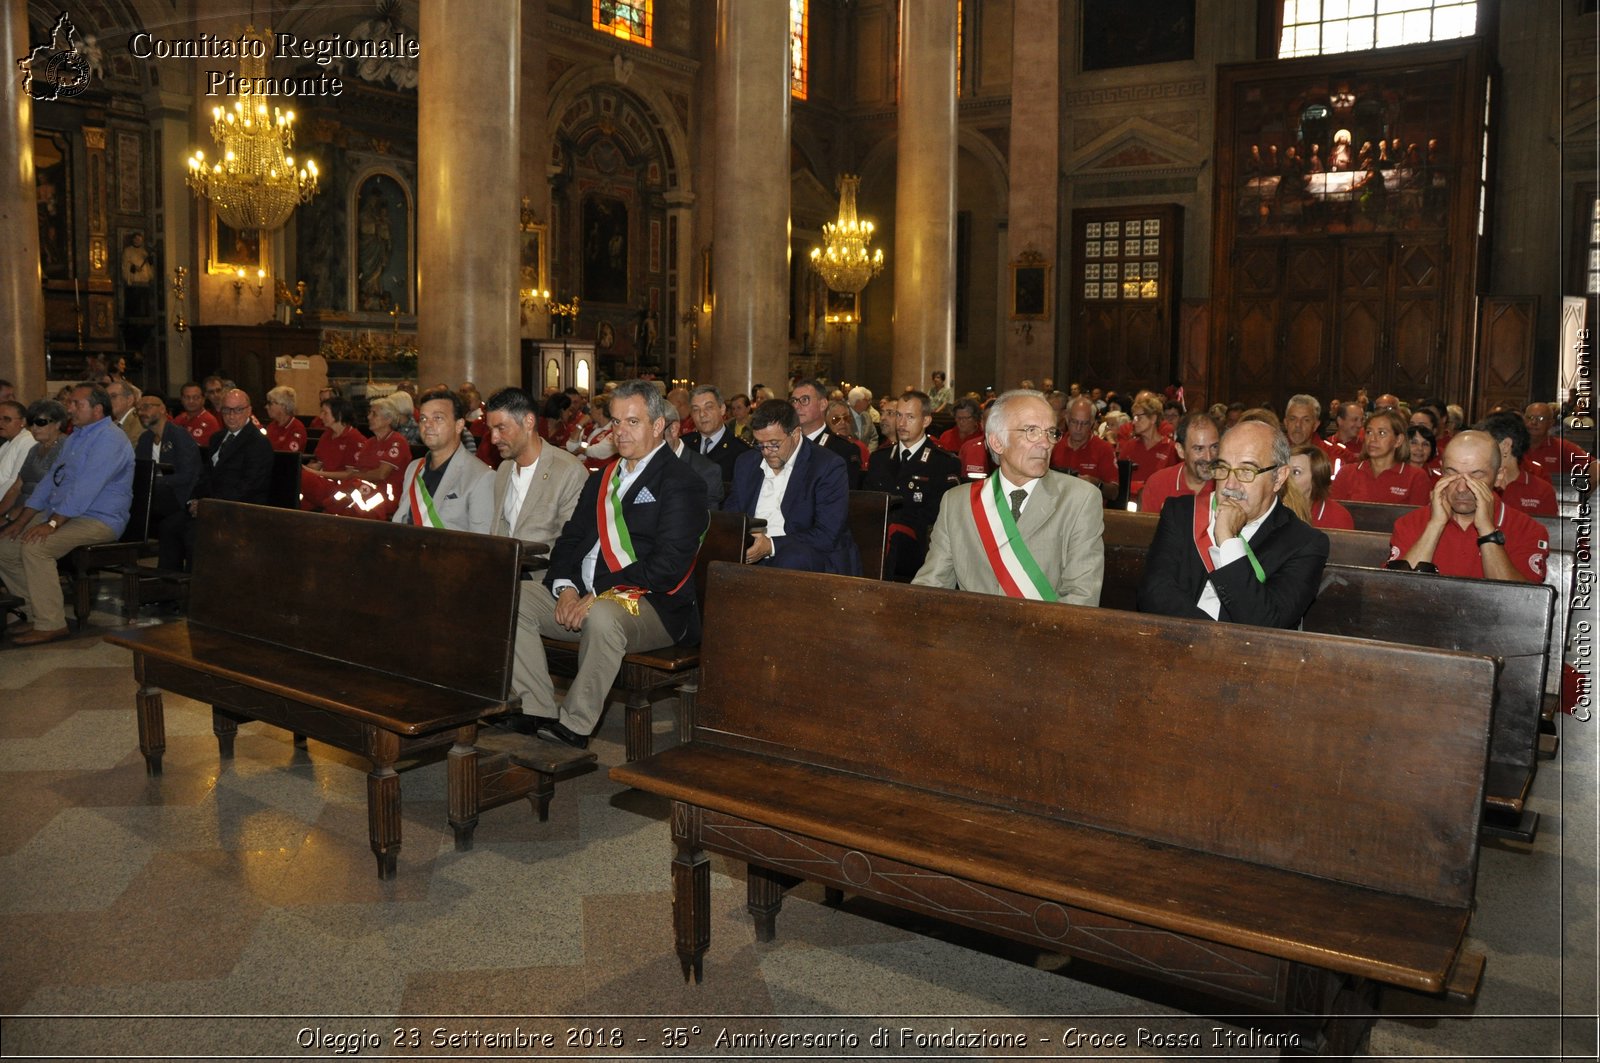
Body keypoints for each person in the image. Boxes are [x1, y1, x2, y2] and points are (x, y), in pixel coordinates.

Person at [507, 381, 708, 748]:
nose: (621, 432)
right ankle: (536, 708)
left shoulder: (681, 482)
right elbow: (568, 541)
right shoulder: (602, 478)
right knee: (513, 598)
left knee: (602, 616)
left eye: (633, 422)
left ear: (658, 425)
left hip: (655, 607)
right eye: (616, 422)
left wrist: (597, 595)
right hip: (585, 595)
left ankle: (576, 725)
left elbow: (667, 567)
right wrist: (565, 590)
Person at [913, 389, 1104, 604]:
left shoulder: (1079, 500)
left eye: (1051, 432)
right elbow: (931, 587)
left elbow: (1081, 598)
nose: (1045, 443)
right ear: (997, 442)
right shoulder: (957, 503)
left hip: (1043, 635)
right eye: (1031, 431)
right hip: (973, 633)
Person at [1137, 421, 1329, 628]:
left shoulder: (1303, 543)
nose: (1230, 484)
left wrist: (1228, 541)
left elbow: (1267, 624)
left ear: (1279, 477)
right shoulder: (1182, 513)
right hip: (1175, 645)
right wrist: (1210, 640)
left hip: (1246, 658)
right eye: (1223, 468)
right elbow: (1154, 594)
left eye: (1247, 471)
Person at [0, 384, 133, 643]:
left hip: (99, 518)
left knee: (37, 547)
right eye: (70, 403)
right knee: (5, 547)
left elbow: (86, 488)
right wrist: (21, 520)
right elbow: (50, 481)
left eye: (76, 404)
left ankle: (51, 623)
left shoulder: (110, 438)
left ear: (97, 409)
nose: (69, 408)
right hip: (65, 513)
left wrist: (51, 524)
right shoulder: (76, 436)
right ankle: (34, 614)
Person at [1388, 430, 1549, 583]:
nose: (1461, 488)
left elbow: (1522, 601)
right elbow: (1396, 591)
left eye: (1476, 476)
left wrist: (1487, 531)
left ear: (1499, 476)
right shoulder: (1409, 523)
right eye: (1451, 473)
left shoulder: (1528, 529)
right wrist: (1435, 525)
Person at [724, 399, 859, 574]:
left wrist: (771, 545)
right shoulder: (747, 462)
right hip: (754, 552)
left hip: (808, 558)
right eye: (760, 444)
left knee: (791, 559)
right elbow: (732, 516)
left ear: (795, 434)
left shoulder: (827, 465)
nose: (766, 452)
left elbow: (827, 534)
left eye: (774, 444)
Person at [158, 388, 273, 572]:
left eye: (238, 410)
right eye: (227, 410)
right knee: (169, 526)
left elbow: (249, 486)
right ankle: (169, 590)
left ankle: (198, 593)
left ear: (249, 411)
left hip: (238, 509)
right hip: (210, 506)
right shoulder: (217, 438)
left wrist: (209, 505)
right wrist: (193, 501)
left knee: (194, 534)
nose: (231, 416)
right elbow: (204, 477)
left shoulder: (258, 443)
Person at [863, 390, 962, 581]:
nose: (901, 423)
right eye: (898, 415)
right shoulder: (879, 459)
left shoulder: (943, 463)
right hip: (878, 551)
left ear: (926, 421)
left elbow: (938, 517)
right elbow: (869, 504)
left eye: (910, 417)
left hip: (920, 553)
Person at [485, 386, 587, 548]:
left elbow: (572, 544)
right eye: (491, 430)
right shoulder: (504, 469)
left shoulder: (568, 471)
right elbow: (500, 531)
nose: (494, 439)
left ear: (528, 422)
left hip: (544, 571)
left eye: (501, 428)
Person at [391, 388, 494, 533]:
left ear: (459, 425)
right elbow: (401, 521)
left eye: (438, 418)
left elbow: (482, 544)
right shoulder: (414, 468)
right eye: (423, 418)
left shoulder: (481, 477)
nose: (427, 424)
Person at [300, 398, 408, 519]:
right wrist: (354, 476)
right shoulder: (370, 443)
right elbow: (355, 472)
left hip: (386, 495)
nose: (369, 417)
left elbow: (381, 474)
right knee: (342, 495)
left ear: (388, 419)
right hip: (363, 488)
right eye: (369, 413)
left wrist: (355, 476)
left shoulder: (397, 441)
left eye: (374, 414)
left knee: (351, 493)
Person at [1329, 409, 1432, 505]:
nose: (1372, 439)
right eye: (1369, 432)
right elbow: (1335, 515)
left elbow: (1418, 520)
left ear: (1398, 440)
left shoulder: (1416, 477)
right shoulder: (1347, 473)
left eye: (1381, 433)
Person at [134, 390, 202, 525]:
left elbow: (187, 475)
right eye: (138, 409)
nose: (141, 413)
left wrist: (154, 480)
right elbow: (142, 470)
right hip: (154, 496)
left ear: (162, 409)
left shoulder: (179, 435)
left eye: (146, 407)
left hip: (178, 496)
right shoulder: (145, 439)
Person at [1475, 411, 1557, 517]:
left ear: (1505, 446)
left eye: (1483, 445)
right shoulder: (1474, 484)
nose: (1477, 451)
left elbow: (1549, 530)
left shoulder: (1542, 491)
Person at [0, 400, 67, 527]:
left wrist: (12, 517)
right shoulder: (34, 449)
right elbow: (16, 488)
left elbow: (56, 492)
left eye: (40, 423)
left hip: (42, 512)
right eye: (31, 423)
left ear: (58, 424)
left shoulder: (67, 448)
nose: (34, 428)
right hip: (17, 509)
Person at [1138, 412, 1219, 514]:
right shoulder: (1158, 484)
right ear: (1181, 450)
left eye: (1214, 447)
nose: (1209, 457)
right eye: (1199, 449)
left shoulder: (1229, 484)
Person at [790, 378, 862, 487]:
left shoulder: (843, 450)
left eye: (804, 400)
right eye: (794, 400)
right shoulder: (786, 444)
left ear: (823, 404)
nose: (797, 406)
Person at [1048, 396, 1117, 503]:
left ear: (1092, 423)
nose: (1078, 428)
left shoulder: (1104, 449)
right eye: (1074, 422)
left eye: (1084, 423)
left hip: (1091, 510)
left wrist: (1097, 484)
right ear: (1066, 419)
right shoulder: (1054, 445)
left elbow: (1114, 493)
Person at [681, 384, 750, 482]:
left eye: (708, 407)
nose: (702, 414)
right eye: (696, 409)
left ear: (722, 409)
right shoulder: (684, 445)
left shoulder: (741, 451)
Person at [1287, 445, 1354, 529]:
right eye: (1284, 470)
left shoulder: (1337, 517)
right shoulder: (1272, 508)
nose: (1286, 477)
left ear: (1316, 478)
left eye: (1296, 472)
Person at [1118, 395, 1176, 493]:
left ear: (1153, 418)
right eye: (1133, 417)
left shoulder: (1171, 448)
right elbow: (1119, 479)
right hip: (1130, 502)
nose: (1133, 422)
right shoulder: (1129, 446)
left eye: (1138, 418)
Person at [1523, 402, 1592, 481]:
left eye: (1540, 418)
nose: (1533, 422)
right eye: (1529, 417)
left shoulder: (1562, 447)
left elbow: (1594, 467)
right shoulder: (1512, 445)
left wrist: (1583, 492)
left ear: (1551, 423)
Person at [664, 415, 724, 506]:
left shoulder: (706, 471)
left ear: (673, 429)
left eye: (657, 430)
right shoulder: (639, 462)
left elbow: (707, 517)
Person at [309, 396, 367, 475]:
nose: (321, 416)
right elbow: (319, 464)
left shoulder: (355, 439)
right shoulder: (327, 434)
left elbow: (350, 474)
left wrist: (319, 474)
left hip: (340, 484)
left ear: (339, 415)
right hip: (323, 479)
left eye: (325, 413)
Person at [0, 399, 36, 499]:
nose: (1, 423)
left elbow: (14, 482)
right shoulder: (7, 443)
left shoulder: (28, 441)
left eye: (6, 419)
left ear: (23, 421)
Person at [173, 382, 221, 447]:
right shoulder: (178, 420)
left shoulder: (210, 421)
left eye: (196, 397)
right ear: (181, 399)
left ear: (203, 399)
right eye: (187, 397)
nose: (191, 401)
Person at [263, 386, 308, 453]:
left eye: (270, 404)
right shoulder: (271, 426)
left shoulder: (296, 428)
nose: (266, 407)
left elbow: (287, 457)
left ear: (283, 406)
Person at [108, 380, 144, 446]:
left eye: (113, 396)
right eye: (107, 398)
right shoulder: (112, 424)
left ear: (129, 400)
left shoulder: (139, 422)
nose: (108, 401)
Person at [847, 386, 879, 451]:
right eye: (867, 400)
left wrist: (868, 453)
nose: (869, 402)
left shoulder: (867, 416)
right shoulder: (844, 416)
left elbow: (874, 437)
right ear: (858, 401)